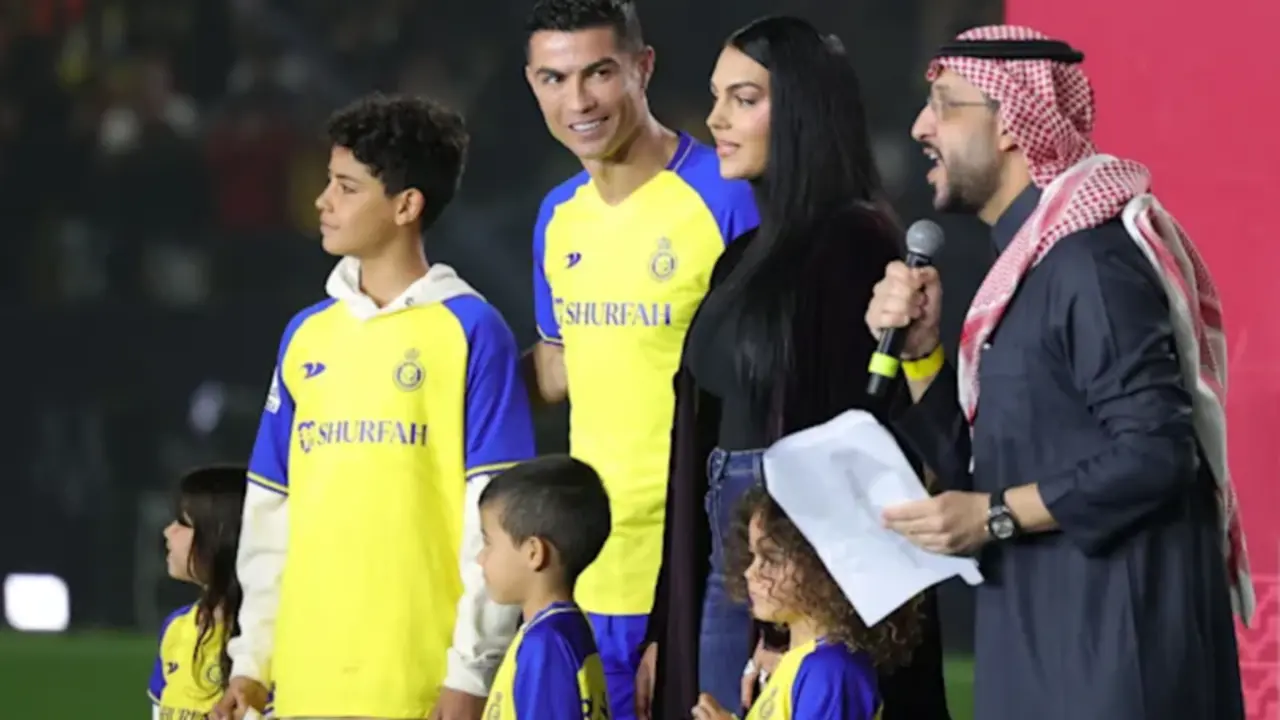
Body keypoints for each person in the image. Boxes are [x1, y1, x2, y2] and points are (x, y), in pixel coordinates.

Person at [869, 25, 1254, 720]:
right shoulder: (1030, 268)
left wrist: (992, 517)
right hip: (1043, 647)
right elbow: (981, 467)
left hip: (1113, 661)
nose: (922, 125)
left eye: (945, 104)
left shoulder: (1090, 265)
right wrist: (924, 353)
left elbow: (1158, 454)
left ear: (1014, 124)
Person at [641, 16, 952, 720]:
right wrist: (670, 622)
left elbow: (860, 457)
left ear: (804, 113)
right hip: (730, 565)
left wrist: (794, 623)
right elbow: (696, 452)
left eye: (744, 99)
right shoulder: (739, 257)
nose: (718, 117)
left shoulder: (856, 244)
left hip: (787, 589)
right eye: (718, 96)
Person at [213, 94, 537, 720]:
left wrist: (470, 673)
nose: (321, 202)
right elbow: (269, 510)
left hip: (419, 686)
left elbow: (498, 519)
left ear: (406, 205)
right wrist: (253, 664)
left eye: (345, 187)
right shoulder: (306, 334)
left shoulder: (471, 330)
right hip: (304, 686)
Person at [520, 2, 758, 718]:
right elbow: (559, 373)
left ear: (642, 67)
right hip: (584, 575)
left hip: (699, 573)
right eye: (553, 79)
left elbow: (765, 402)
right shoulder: (557, 215)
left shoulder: (729, 199)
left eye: (599, 73)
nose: (578, 101)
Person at [690, 486, 918, 720]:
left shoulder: (830, 672)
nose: (750, 572)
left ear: (823, 568)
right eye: (753, 556)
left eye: (770, 558)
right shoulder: (797, 662)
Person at [476, 455, 613, 718]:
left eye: (488, 543)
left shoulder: (546, 646)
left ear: (533, 553)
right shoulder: (559, 631)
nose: (480, 559)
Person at [151, 466, 272, 720]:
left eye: (183, 523)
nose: (168, 531)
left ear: (221, 536)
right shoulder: (176, 627)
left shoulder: (268, 640)